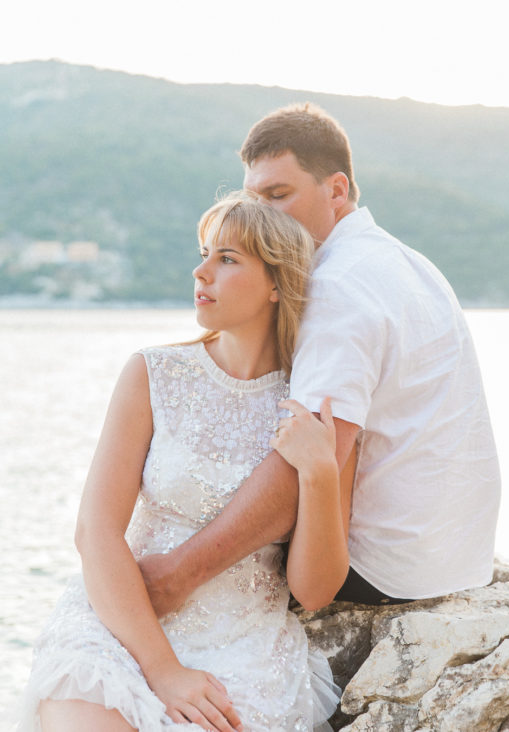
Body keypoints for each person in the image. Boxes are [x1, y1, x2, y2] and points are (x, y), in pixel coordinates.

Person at [137, 103, 501, 612]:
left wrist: (181, 572)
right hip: (456, 558)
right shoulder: (407, 262)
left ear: (335, 189)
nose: (261, 213)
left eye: (278, 195)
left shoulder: (337, 287)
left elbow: (313, 457)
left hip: (384, 570)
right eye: (253, 197)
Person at [18, 192, 344, 732]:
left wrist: (320, 472)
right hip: (121, 623)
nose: (201, 272)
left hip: (244, 650)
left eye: (228, 259)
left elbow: (314, 591)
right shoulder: (153, 373)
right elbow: (95, 532)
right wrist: (164, 670)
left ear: (276, 285)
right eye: (203, 253)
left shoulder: (309, 405)